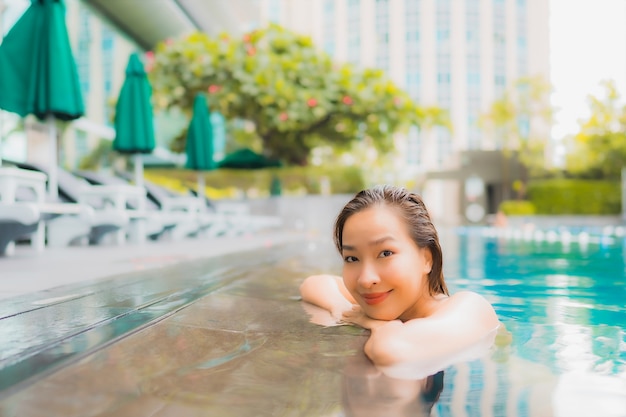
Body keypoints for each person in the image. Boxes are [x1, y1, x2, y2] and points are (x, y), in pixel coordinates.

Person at [299, 185, 500, 367]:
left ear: (426, 259)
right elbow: (313, 284)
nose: (366, 279)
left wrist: (371, 322)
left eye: (385, 253)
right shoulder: (382, 295)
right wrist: (341, 308)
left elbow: (391, 352)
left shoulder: (472, 308)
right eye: (352, 258)